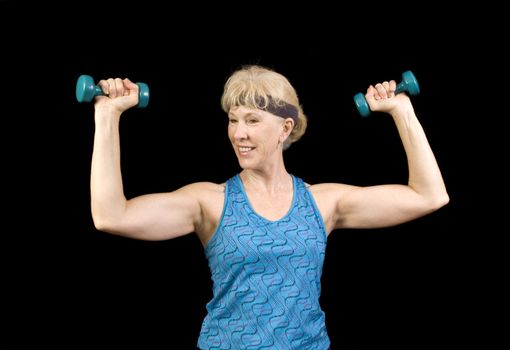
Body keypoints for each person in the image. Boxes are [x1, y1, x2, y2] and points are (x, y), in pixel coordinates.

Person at [90, 64, 449, 349]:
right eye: (233, 120)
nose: (238, 134)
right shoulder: (208, 202)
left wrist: (402, 110)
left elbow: (428, 196)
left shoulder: (322, 203)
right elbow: (111, 216)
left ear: (285, 128)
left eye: (252, 120)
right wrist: (107, 115)